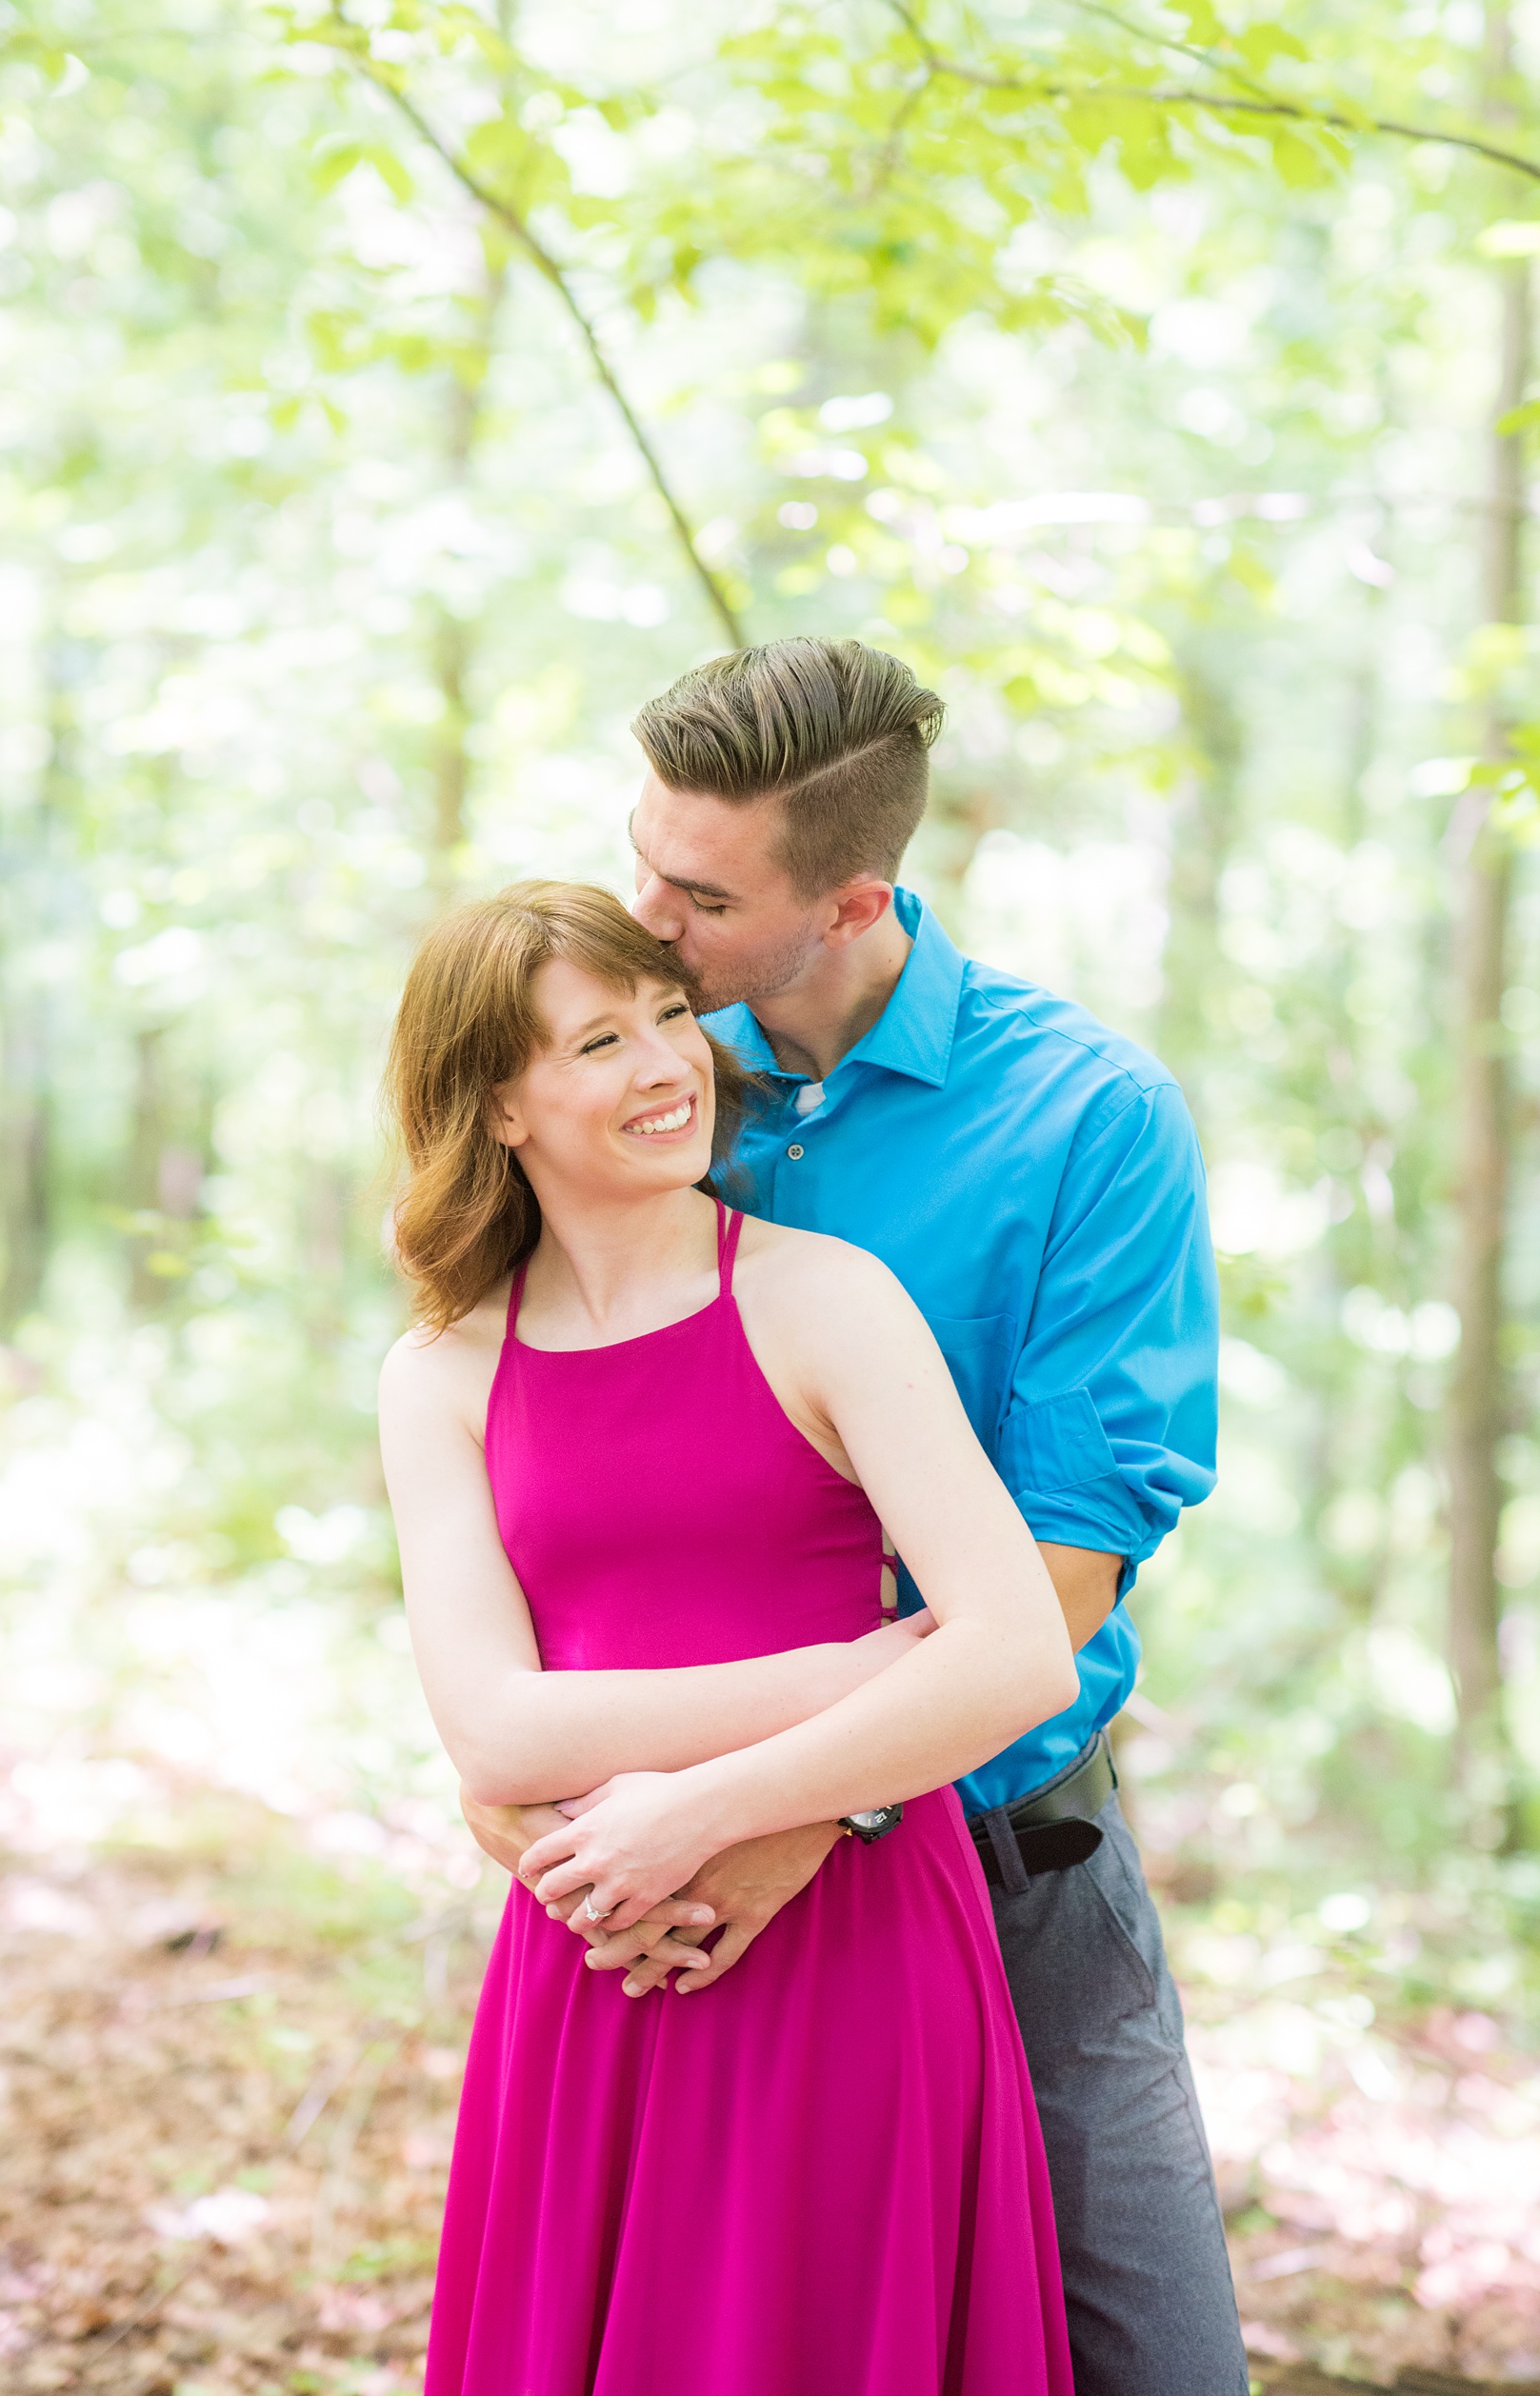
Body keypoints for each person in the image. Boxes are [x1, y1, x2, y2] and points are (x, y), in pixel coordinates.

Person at [463, 641, 1247, 2396]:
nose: (644, 913)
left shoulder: (1087, 1121)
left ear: (851, 900)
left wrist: (793, 1809)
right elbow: (537, 1451)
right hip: (665, 1855)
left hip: (1001, 1845)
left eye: (700, 893)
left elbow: (1054, 1575)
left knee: (1154, 2362)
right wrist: (512, 1791)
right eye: (642, 853)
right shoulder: (652, 1088)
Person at [380, 881, 1078, 2396]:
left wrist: (702, 1804)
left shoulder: (827, 1299)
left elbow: (1022, 1657)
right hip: (600, 1953)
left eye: (667, 1017)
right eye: (597, 1041)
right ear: (499, 1103)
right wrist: (882, 1664)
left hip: (852, 1950)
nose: (664, 1065)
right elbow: (494, 1734)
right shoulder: (440, 1371)